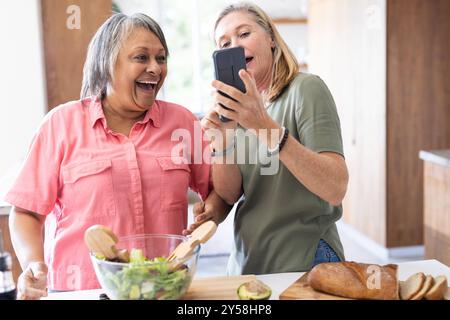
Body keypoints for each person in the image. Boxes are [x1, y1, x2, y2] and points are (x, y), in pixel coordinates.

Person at [5, 13, 229, 299]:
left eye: (161, 59)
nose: (155, 69)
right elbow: (26, 211)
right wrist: (34, 265)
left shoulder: (182, 123)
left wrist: (213, 210)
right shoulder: (60, 125)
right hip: (80, 291)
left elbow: (220, 191)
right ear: (107, 63)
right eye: (141, 57)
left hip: (163, 288)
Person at [189, 2, 349, 275]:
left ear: (272, 39)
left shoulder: (306, 90)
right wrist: (223, 143)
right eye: (224, 43)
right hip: (247, 261)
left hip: (306, 258)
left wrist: (262, 124)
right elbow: (229, 194)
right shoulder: (233, 111)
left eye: (244, 34)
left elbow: (335, 187)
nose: (234, 47)